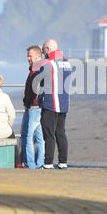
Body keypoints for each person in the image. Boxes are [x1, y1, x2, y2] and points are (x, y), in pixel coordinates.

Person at [35, 39, 72, 170]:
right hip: (63, 104)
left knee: (49, 134)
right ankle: (63, 162)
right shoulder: (67, 63)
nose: (43, 52)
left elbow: (35, 70)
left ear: (48, 49)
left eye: (44, 49)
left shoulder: (48, 64)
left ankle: (48, 162)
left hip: (51, 103)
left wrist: (39, 56)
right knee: (60, 133)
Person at [21, 45, 45, 169]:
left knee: (27, 136)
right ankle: (40, 162)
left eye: (30, 56)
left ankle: (30, 163)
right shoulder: (36, 69)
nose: (28, 58)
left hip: (34, 107)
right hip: (37, 107)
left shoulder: (37, 70)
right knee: (39, 137)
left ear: (37, 56)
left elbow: (35, 90)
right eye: (27, 56)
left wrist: (28, 103)